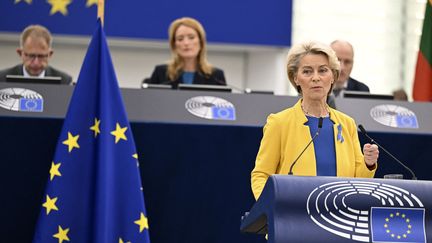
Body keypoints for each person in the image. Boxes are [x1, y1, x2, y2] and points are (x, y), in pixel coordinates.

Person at [251, 42, 379, 200]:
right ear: (295, 78)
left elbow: (358, 180)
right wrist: (272, 207)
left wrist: (368, 163)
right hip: (294, 216)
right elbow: (261, 175)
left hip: (338, 215)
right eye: (307, 71)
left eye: (323, 70)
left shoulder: (347, 124)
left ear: (333, 76)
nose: (316, 78)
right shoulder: (279, 123)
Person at [145, 17, 226, 87]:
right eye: (180, 39)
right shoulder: (161, 73)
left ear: (201, 42)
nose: (186, 43)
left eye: (191, 37)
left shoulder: (216, 76)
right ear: (174, 45)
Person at [0, 25, 72, 85]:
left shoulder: (64, 82)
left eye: (41, 56)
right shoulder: (2, 79)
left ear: (50, 54)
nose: (36, 63)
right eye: (31, 56)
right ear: (20, 53)